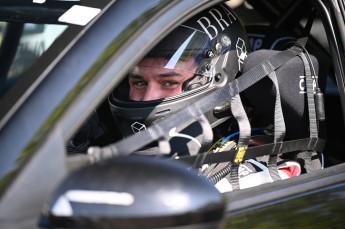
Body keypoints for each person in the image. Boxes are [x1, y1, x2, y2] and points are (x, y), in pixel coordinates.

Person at [69, 2, 323, 192]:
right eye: (137, 82)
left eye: (169, 82)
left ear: (221, 82)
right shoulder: (96, 145)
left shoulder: (247, 180)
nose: (147, 97)